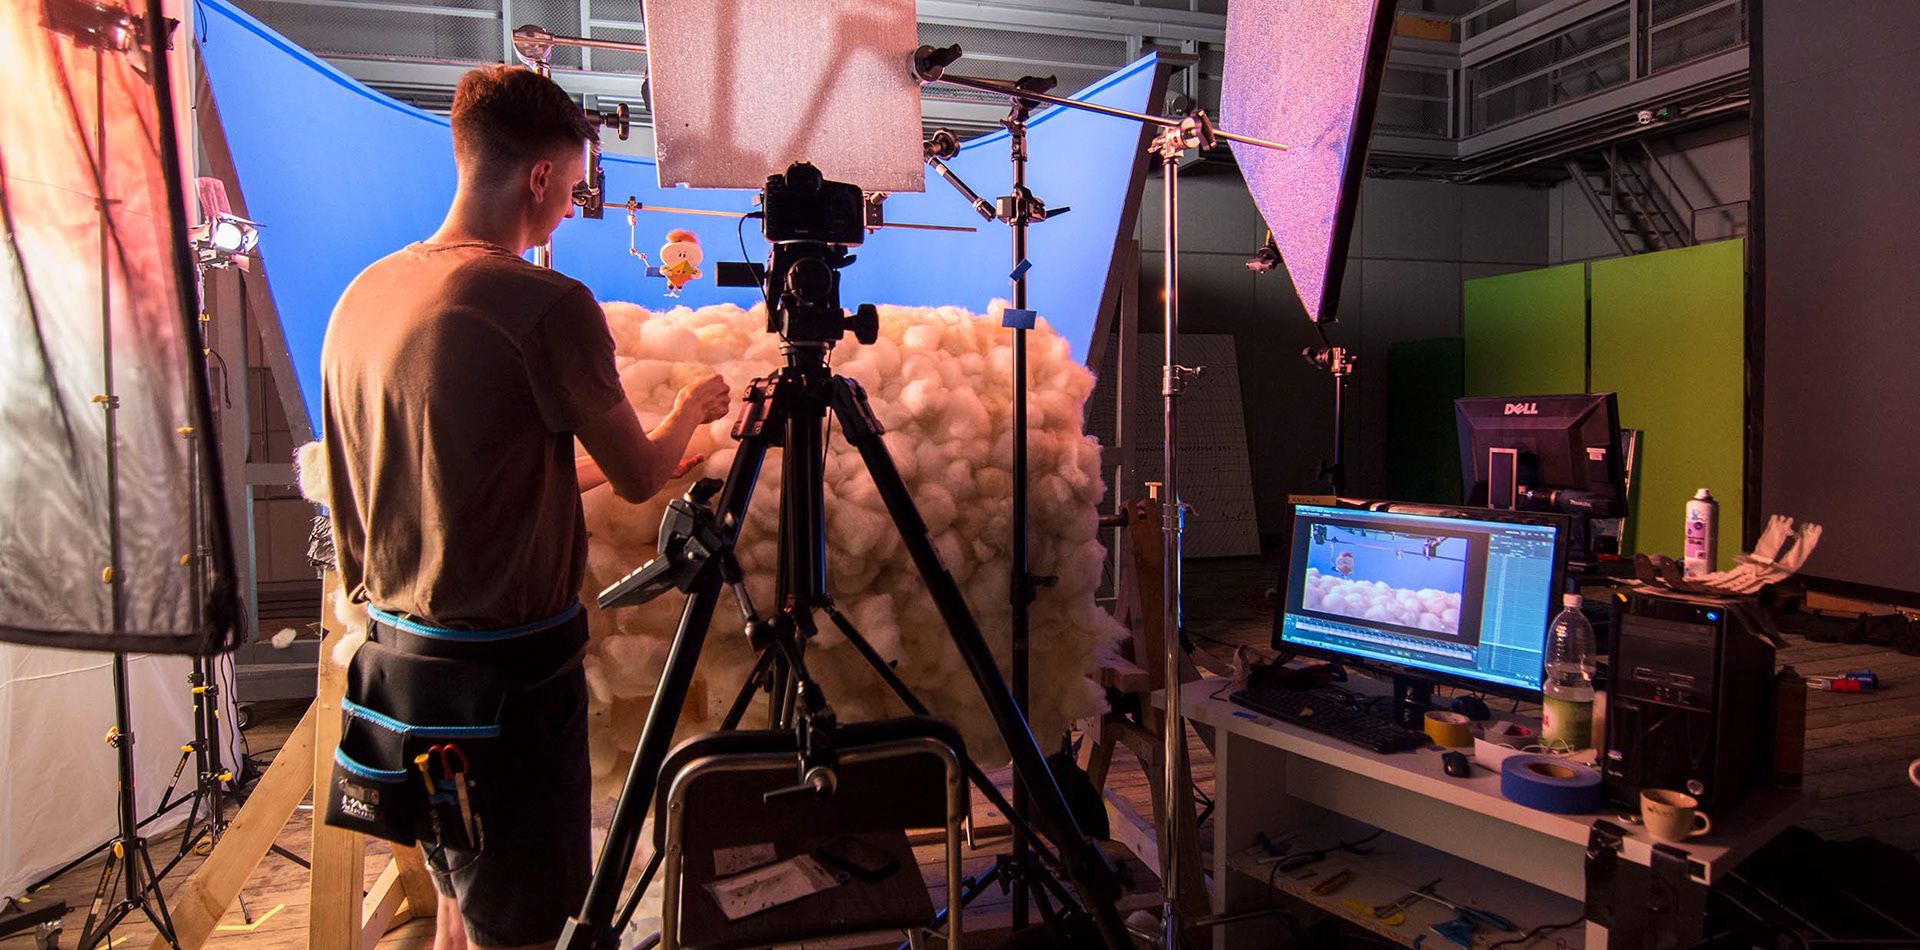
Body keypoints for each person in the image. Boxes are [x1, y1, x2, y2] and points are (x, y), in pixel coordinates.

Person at [320, 64, 731, 950]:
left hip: (399, 671)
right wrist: (689, 412)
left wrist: (626, 461)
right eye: (573, 188)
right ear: (540, 176)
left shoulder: (364, 297)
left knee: (459, 902)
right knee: (531, 930)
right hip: (508, 689)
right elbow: (638, 474)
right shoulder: (543, 304)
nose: (569, 209)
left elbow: (474, 479)